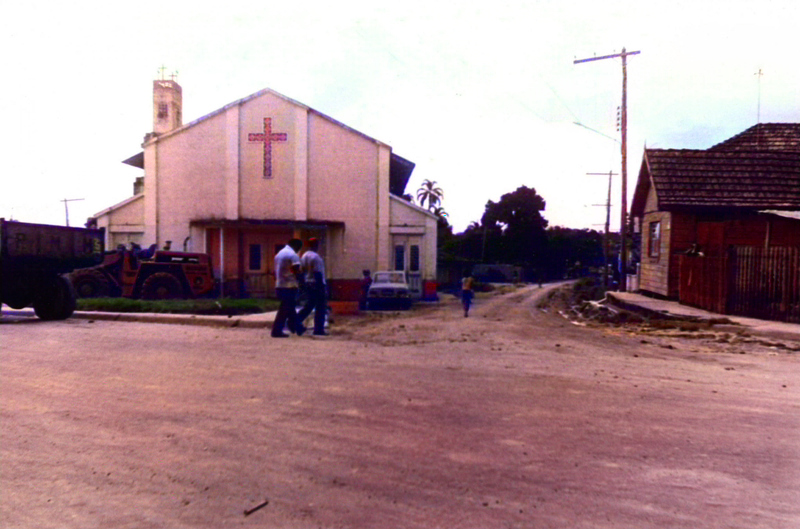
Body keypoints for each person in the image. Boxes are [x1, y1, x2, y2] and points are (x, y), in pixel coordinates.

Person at [271, 238, 306, 338]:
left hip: (279, 285)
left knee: (289, 308)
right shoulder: (292, 255)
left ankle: (297, 327)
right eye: (299, 248)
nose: (298, 250)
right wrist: (302, 283)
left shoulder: (279, 254)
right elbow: (296, 270)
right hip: (289, 285)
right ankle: (277, 331)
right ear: (296, 246)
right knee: (285, 309)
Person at [296, 237, 328, 336]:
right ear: (316, 246)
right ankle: (319, 329)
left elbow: (301, 271)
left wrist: (302, 284)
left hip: (308, 283)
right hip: (317, 284)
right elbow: (317, 273)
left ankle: (295, 320)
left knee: (309, 305)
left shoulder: (304, 256)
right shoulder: (316, 258)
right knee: (320, 307)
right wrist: (322, 288)